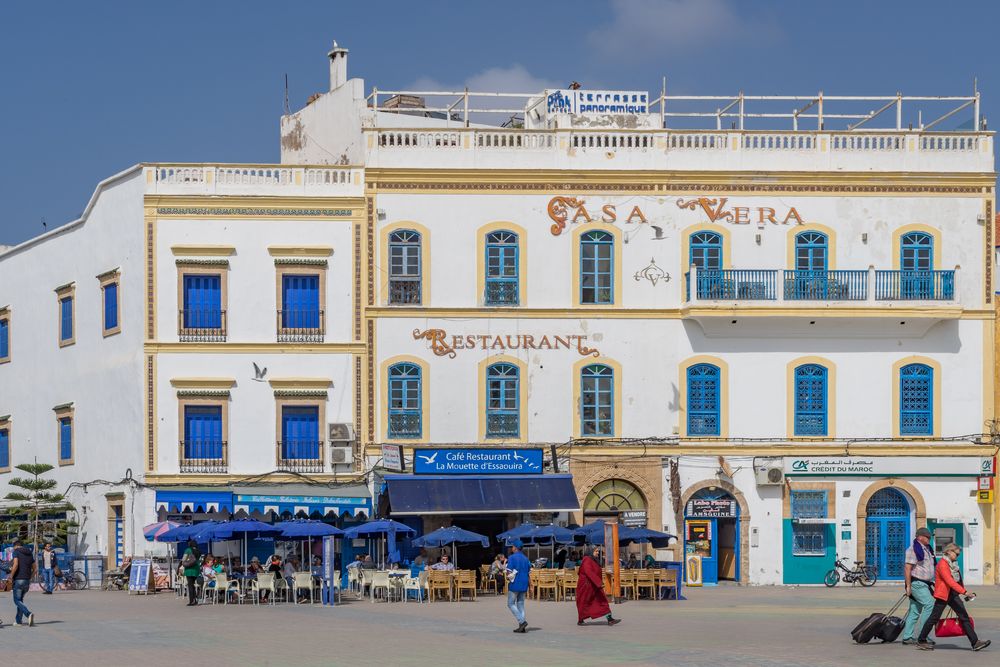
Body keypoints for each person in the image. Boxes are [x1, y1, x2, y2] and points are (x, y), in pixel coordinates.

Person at [916, 543, 990, 651]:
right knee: (934, 618)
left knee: (964, 617)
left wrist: (962, 592)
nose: (957, 556)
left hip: (953, 594)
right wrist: (965, 592)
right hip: (943, 595)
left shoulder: (953, 564)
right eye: (957, 554)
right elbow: (949, 581)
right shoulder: (942, 564)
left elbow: (957, 580)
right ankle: (921, 640)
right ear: (949, 552)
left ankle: (975, 643)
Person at [901, 527, 936, 645]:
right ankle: (923, 635)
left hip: (925, 584)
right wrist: (908, 586)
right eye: (927, 537)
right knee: (930, 604)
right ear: (920, 537)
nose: (929, 539)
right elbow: (907, 568)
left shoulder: (927, 549)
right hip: (917, 583)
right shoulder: (913, 549)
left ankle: (907, 637)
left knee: (915, 610)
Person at [576, 547, 621, 627]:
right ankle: (580, 619)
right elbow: (588, 571)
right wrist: (598, 582)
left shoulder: (592, 559)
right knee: (584, 603)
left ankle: (610, 619)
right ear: (590, 551)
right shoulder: (587, 560)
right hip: (587, 587)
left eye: (597, 551)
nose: (597, 553)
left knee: (602, 601)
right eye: (596, 551)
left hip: (594, 586)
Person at [506, 539, 531, 633]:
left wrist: (508, 577)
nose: (511, 548)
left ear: (515, 548)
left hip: (515, 582)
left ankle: (522, 621)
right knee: (520, 604)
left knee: (510, 603)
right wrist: (530, 584)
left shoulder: (512, 557)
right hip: (524, 583)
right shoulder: (526, 558)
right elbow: (529, 572)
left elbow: (509, 571)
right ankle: (522, 627)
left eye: (512, 546)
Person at [10, 539, 36, 626]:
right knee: (20, 600)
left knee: (16, 600)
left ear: (16, 546)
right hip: (26, 580)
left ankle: (28, 614)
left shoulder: (16, 552)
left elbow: (16, 564)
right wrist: (30, 577)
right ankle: (18, 621)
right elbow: (35, 569)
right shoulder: (29, 553)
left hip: (18, 579)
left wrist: (11, 576)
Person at [181, 539, 202, 606]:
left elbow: (183, 559)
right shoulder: (198, 550)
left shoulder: (188, 550)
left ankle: (191, 601)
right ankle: (195, 599)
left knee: (190, 585)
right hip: (196, 569)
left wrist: (185, 562)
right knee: (193, 585)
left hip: (189, 570)